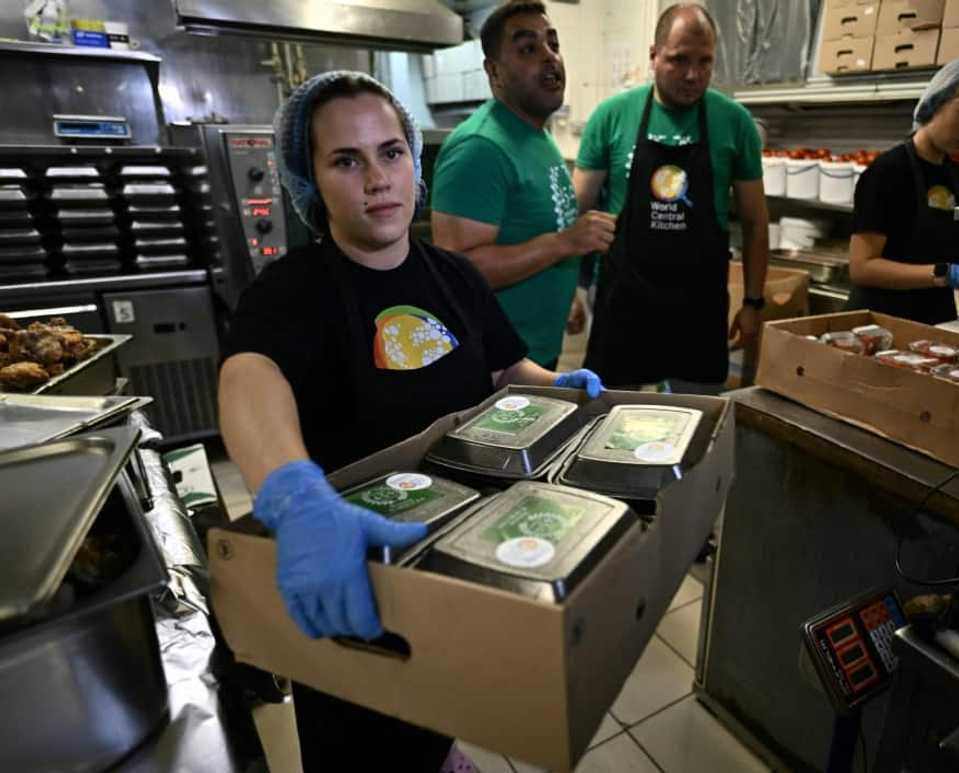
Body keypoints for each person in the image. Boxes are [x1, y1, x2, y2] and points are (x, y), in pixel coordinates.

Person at [218, 70, 601, 773]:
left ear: (414, 163)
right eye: (346, 160)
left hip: (457, 554)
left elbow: (506, 371)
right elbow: (249, 375)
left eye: (391, 152)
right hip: (355, 575)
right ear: (310, 180)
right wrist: (294, 496)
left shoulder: (452, 277)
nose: (376, 178)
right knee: (365, 744)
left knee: (435, 712)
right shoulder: (295, 290)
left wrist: (562, 389)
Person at [572, 3, 770, 394]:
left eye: (705, 62)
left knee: (694, 423)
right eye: (679, 60)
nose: (693, 75)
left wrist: (753, 303)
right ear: (654, 56)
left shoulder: (735, 122)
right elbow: (576, 213)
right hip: (624, 300)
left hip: (698, 305)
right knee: (609, 419)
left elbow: (755, 222)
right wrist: (572, 292)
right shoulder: (612, 116)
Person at [431, 0, 616, 370]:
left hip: (535, 354)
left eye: (553, 44)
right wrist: (566, 243)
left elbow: (537, 230)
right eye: (528, 48)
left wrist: (565, 295)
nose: (550, 57)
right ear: (494, 71)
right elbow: (460, 271)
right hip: (495, 367)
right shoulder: (480, 148)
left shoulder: (535, 134)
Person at [846, 55, 959, 324]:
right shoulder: (889, 171)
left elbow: (939, 253)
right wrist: (948, 274)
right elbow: (862, 268)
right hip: (879, 323)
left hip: (934, 323)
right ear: (936, 102)